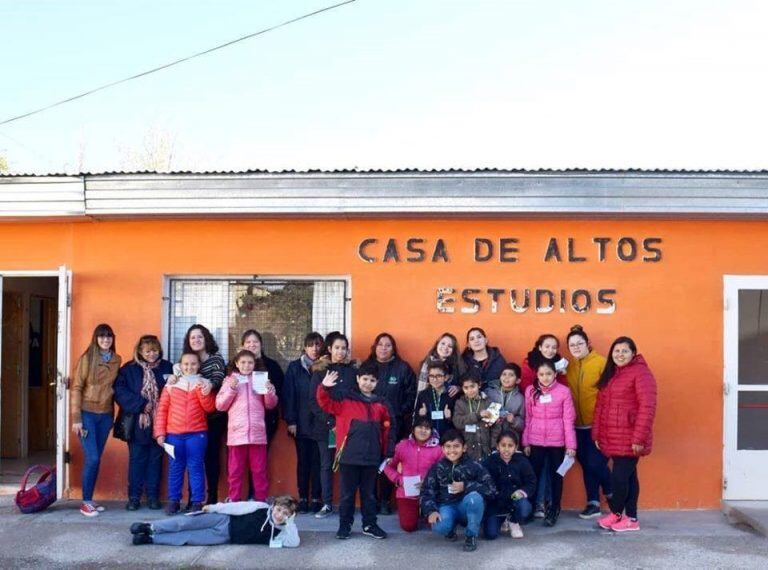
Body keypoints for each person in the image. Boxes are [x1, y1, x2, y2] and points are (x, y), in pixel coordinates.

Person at [316, 361, 394, 540]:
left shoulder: (381, 404)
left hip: (371, 457)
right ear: (358, 379)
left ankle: (370, 524)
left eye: (372, 380)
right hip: (348, 457)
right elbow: (324, 403)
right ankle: (345, 526)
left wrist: (387, 452)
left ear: (377, 382)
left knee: (369, 495)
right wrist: (324, 388)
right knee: (347, 495)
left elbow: (388, 429)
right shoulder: (345, 400)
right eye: (365, 379)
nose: (368, 383)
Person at [593, 337, 657, 533]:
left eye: (624, 351)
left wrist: (639, 438)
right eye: (616, 351)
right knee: (629, 478)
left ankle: (617, 513)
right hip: (613, 437)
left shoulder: (641, 373)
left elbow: (647, 407)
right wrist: (597, 434)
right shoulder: (612, 373)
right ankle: (629, 517)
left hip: (630, 439)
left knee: (619, 478)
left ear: (633, 353)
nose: (619, 354)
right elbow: (600, 407)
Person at [114, 334, 173, 511]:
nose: (152, 354)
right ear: (140, 351)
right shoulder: (129, 369)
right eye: (147, 351)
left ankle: (153, 497)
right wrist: (141, 405)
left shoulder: (167, 367)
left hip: (160, 422)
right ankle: (134, 498)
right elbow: (119, 391)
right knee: (137, 460)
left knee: (155, 460)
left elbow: (173, 391)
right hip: (137, 423)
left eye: (155, 350)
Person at [154, 352, 217, 515]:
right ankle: (174, 501)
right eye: (186, 364)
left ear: (199, 366)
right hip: (173, 434)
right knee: (175, 468)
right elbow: (162, 409)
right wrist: (160, 433)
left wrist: (202, 391)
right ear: (180, 366)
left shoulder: (204, 383)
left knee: (196, 467)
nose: (190, 367)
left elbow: (210, 408)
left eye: (193, 364)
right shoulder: (171, 385)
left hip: (197, 434)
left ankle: (197, 502)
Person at [71, 323, 122, 517]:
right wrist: (77, 418)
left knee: (96, 458)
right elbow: (76, 387)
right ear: (96, 338)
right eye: (101, 336)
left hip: (105, 416)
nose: (105, 340)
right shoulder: (87, 358)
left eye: (108, 336)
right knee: (92, 457)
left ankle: (90, 499)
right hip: (87, 415)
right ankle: (85, 502)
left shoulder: (117, 359)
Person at [363, 332, 417, 515]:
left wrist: (398, 414)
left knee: (389, 461)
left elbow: (411, 395)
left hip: (395, 425)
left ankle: (385, 500)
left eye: (388, 345)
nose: (384, 348)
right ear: (374, 347)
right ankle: (371, 500)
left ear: (393, 348)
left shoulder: (403, 368)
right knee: (370, 462)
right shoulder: (366, 367)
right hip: (369, 425)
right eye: (380, 344)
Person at [420, 429, 497, 552]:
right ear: (443, 449)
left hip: (466, 507)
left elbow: (491, 490)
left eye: (456, 446)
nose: (452, 450)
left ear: (464, 448)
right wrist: (431, 511)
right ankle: (450, 528)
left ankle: (471, 535)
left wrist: (466, 486)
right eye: (448, 447)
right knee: (440, 527)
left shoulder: (474, 465)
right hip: (446, 506)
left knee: (475, 499)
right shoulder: (437, 467)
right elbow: (426, 491)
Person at [216, 349, 278, 502]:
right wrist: (231, 389)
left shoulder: (260, 379)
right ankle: (234, 501)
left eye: (250, 362)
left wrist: (269, 392)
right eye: (243, 362)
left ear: (254, 364)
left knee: (259, 471)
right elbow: (220, 405)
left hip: (257, 435)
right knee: (235, 471)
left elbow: (270, 405)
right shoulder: (230, 380)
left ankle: (261, 502)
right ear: (237, 364)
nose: (246, 365)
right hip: (237, 436)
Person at [307, 331, 357, 519]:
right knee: (326, 465)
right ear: (329, 349)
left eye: (344, 348)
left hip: (348, 427)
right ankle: (327, 503)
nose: (340, 351)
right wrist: (330, 422)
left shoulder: (353, 372)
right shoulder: (320, 371)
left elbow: (355, 399)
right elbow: (313, 401)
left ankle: (346, 503)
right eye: (337, 347)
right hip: (325, 427)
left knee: (347, 466)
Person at [565, 325, 612, 519]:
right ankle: (593, 502)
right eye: (572, 345)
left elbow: (610, 393)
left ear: (588, 344)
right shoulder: (568, 366)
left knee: (595, 462)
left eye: (579, 343)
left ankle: (612, 493)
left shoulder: (601, 363)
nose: (575, 347)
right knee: (585, 463)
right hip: (576, 426)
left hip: (597, 424)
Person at [522, 360, 577, 527]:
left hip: (557, 442)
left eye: (548, 374)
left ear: (555, 374)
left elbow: (568, 420)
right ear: (537, 375)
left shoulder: (564, 392)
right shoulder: (530, 391)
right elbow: (528, 418)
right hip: (536, 440)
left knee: (556, 477)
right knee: (534, 476)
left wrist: (571, 445)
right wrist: (526, 441)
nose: (545, 377)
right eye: (541, 374)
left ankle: (554, 509)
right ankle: (529, 509)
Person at [519, 333, 568, 518]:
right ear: (539, 347)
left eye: (554, 347)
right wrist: (526, 440)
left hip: (556, 435)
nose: (550, 350)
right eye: (546, 346)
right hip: (537, 433)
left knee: (554, 472)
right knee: (536, 472)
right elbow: (528, 406)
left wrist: (570, 445)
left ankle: (552, 506)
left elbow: (563, 398)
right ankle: (536, 505)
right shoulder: (529, 364)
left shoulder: (561, 366)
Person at [129, 496, 299, 547]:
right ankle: (151, 526)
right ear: (274, 505)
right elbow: (237, 507)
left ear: (290, 516)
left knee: (189, 538)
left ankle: (151, 538)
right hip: (224, 520)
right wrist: (214, 508)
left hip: (225, 537)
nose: (279, 515)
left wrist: (289, 523)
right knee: (185, 523)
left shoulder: (282, 531)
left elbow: (294, 543)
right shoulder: (261, 507)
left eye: (285, 514)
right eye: (279, 510)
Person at [182, 324, 227, 505]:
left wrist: (209, 384)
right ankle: (194, 498)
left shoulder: (216, 358)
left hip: (214, 417)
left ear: (206, 338)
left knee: (211, 457)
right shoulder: (187, 360)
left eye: (199, 336)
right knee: (193, 458)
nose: (196, 340)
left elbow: (218, 378)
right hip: (192, 418)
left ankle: (212, 496)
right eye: (192, 337)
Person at [282, 332, 325, 514]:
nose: (314, 349)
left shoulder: (325, 367)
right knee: (303, 463)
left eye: (318, 345)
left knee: (319, 462)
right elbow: (288, 395)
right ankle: (303, 498)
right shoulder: (294, 367)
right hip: (300, 423)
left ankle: (316, 497)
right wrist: (291, 420)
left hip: (321, 424)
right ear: (305, 347)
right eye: (311, 345)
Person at [382, 416, 443, 532]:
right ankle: (415, 513)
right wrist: (399, 480)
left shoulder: (438, 449)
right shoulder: (402, 446)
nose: (423, 430)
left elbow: (443, 472)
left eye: (427, 428)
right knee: (408, 527)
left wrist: (430, 482)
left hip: (430, 494)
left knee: (435, 525)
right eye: (420, 427)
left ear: (432, 431)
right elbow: (387, 466)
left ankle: (424, 512)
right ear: (413, 429)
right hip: (407, 494)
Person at [482, 432, 536, 539]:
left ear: (516, 447)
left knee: (524, 507)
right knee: (490, 535)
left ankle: (513, 521)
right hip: (496, 503)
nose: (506, 449)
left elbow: (531, 481)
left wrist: (521, 492)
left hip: (515, 500)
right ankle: (502, 520)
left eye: (510, 446)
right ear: (498, 446)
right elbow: (482, 480)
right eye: (503, 445)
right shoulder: (490, 462)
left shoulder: (522, 461)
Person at [239, 330, 285, 446]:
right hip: (241, 421)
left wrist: (271, 390)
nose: (252, 344)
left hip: (266, 419)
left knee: (260, 459)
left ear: (261, 344)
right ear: (243, 345)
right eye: (248, 342)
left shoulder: (272, 366)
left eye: (255, 341)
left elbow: (280, 391)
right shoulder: (236, 367)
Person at [452, 375, 500, 461]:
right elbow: (457, 422)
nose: (470, 390)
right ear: (462, 389)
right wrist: (477, 415)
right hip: (467, 449)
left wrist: (493, 446)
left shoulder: (488, 401)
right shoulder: (460, 403)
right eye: (466, 388)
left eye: (472, 386)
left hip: (486, 448)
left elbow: (495, 427)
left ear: (479, 385)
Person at [417, 333, 465, 397]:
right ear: (437, 345)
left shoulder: (458, 365)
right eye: (443, 343)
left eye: (450, 346)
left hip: (452, 403)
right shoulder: (426, 364)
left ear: (453, 351)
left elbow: (466, 385)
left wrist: (459, 388)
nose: (445, 347)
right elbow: (421, 389)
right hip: (430, 403)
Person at [414, 360, 454, 436]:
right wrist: (421, 416)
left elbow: (458, 421)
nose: (435, 379)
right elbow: (416, 420)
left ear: (446, 377)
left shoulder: (452, 394)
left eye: (438, 376)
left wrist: (449, 418)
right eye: (431, 376)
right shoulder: (423, 395)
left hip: (447, 438)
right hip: (428, 437)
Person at [485, 363, 525, 439]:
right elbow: (481, 412)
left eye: (511, 375)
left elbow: (523, 424)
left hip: (510, 440)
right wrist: (489, 417)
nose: (506, 378)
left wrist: (514, 420)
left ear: (518, 380)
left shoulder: (520, 399)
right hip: (491, 437)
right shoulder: (489, 392)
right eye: (504, 374)